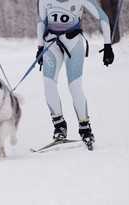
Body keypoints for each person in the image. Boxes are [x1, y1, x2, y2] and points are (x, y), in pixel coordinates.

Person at [36, 0, 114, 147]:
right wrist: (40, 47)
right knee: (48, 82)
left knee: (74, 85)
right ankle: (59, 126)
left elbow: (103, 17)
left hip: (73, 42)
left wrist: (107, 46)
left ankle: (85, 128)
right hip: (51, 42)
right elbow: (41, 20)